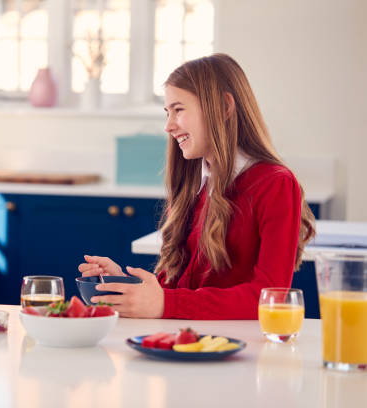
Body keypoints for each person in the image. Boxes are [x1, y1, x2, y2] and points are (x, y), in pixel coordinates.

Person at [79, 53, 315, 319]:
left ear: (225, 107)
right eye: (167, 112)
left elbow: (268, 298)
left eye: (178, 110)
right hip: (188, 344)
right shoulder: (194, 185)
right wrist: (126, 287)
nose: (168, 126)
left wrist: (166, 304)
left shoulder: (276, 184)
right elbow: (177, 290)